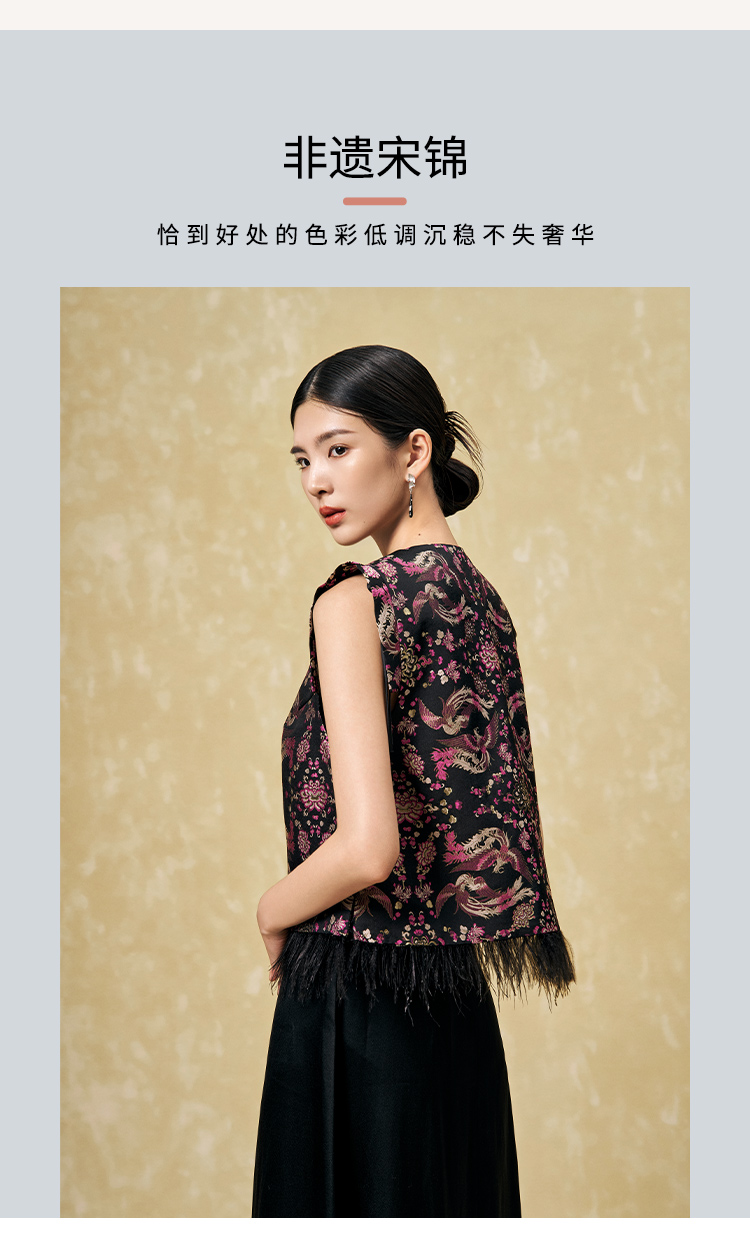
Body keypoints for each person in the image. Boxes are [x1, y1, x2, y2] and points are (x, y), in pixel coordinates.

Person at [251, 345, 575, 1218]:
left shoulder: (354, 600)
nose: (316, 480)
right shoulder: (485, 603)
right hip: (456, 1002)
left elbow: (367, 849)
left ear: (415, 451)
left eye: (338, 448)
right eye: (302, 459)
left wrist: (272, 911)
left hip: (356, 995)